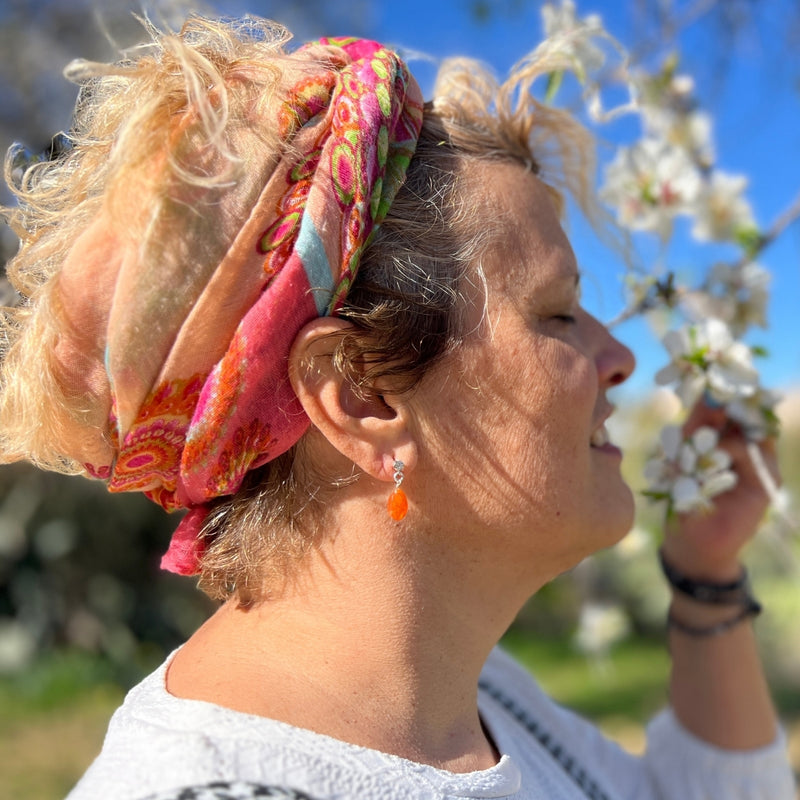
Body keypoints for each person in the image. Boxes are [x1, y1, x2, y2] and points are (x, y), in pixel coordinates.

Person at [0, 13, 793, 800]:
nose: (619, 358)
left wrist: (705, 573)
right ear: (360, 395)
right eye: (556, 314)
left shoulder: (473, 699)